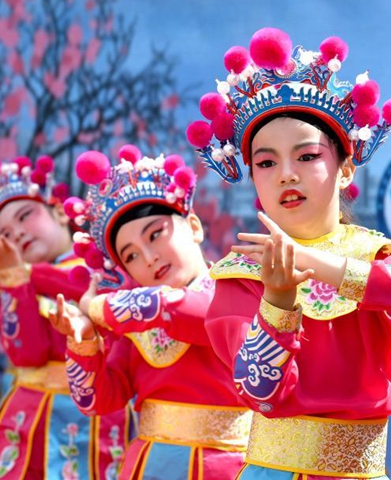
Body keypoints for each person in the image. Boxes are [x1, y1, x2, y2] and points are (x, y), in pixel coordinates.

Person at [188, 28, 391, 479]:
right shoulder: (240, 273)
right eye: (266, 163)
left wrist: (313, 263)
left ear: (345, 168)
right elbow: (258, 391)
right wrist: (278, 304)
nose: (286, 174)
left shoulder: (375, 254)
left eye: (306, 156)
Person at [52, 145, 250, 479]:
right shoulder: (135, 324)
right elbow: (99, 401)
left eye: (155, 234)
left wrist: (98, 306)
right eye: (130, 256)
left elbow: (187, 311)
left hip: (228, 467)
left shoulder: (235, 289)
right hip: (150, 467)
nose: (148, 257)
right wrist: (84, 343)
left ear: (194, 226)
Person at [0, 155, 130, 480]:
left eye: (25, 215)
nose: (17, 234)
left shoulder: (104, 266)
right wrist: (14, 280)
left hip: (95, 417)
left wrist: (21, 273)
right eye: (4, 234)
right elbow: (28, 353)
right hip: (27, 420)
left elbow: (83, 289)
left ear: (58, 211)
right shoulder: (14, 279)